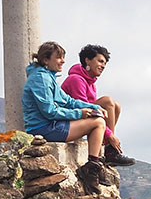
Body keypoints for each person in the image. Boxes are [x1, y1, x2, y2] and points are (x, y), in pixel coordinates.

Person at [21, 41, 108, 182]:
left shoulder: (48, 76)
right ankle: (91, 169)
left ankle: (94, 164)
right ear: (46, 60)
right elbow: (49, 111)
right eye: (59, 57)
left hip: (50, 125)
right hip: (43, 128)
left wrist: (93, 107)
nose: (63, 61)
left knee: (97, 119)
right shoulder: (41, 79)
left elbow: (68, 101)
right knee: (98, 123)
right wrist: (79, 114)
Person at [62, 44, 135, 167]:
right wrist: (110, 135)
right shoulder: (76, 79)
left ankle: (109, 149)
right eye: (100, 61)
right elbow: (83, 108)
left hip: (81, 117)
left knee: (116, 105)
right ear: (87, 60)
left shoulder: (91, 83)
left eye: (105, 63)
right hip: (70, 119)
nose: (103, 66)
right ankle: (110, 149)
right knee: (108, 101)